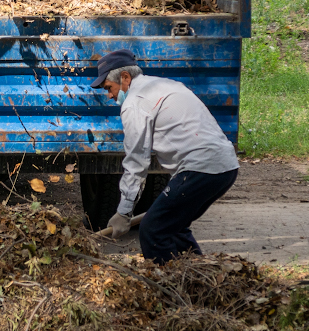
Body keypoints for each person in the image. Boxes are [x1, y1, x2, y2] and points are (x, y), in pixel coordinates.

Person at [91, 49, 239, 265]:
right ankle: (198, 282)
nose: (110, 95)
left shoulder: (135, 102)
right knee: (173, 226)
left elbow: (136, 162)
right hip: (225, 167)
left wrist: (123, 212)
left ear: (124, 77)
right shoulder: (166, 85)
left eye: (109, 88)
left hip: (200, 168)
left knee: (153, 230)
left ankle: (169, 288)